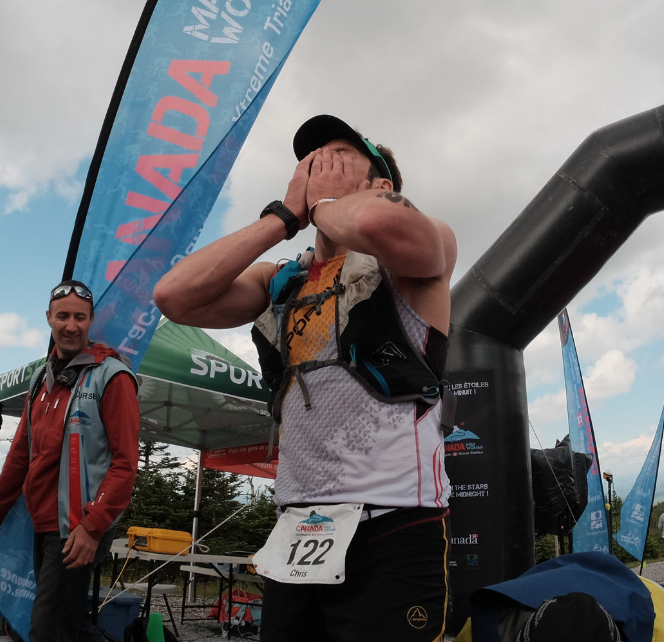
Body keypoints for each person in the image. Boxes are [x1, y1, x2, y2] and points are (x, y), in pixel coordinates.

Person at [153, 115, 457, 641]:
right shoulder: (282, 278)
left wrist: (326, 204)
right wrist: (283, 216)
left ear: (381, 183)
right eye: (313, 157)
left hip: (395, 521)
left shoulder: (417, 249)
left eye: (340, 155)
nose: (320, 162)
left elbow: (377, 225)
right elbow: (173, 296)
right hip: (299, 525)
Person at [0, 280, 140, 642]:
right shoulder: (40, 378)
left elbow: (125, 462)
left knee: (47, 631)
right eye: (63, 316)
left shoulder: (113, 376)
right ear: (49, 318)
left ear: (91, 320)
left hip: (78, 529)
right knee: (65, 626)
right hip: (41, 524)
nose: (71, 326)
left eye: (80, 317)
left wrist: (92, 527)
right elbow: (20, 456)